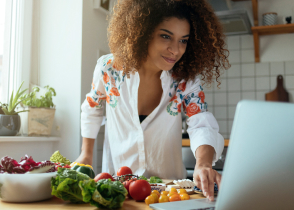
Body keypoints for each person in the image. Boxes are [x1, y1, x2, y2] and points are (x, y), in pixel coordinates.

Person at [76, 0, 230, 201]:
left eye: (183, 40)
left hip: (170, 193)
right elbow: (92, 107)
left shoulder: (185, 79)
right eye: (166, 36)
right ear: (143, 31)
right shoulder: (109, 69)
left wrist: (203, 164)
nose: (175, 50)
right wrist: (86, 154)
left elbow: (201, 122)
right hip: (118, 190)